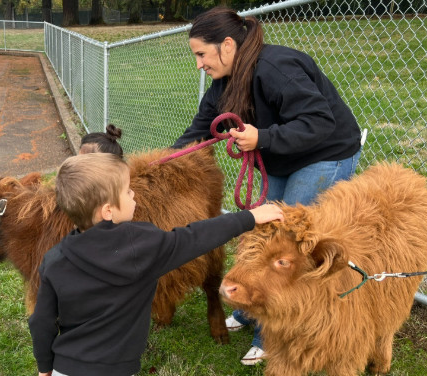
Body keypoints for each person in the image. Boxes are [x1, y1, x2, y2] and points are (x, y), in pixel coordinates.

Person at [172, 7, 362, 365]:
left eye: (201, 54)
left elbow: (319, 121)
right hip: (279, 155)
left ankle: (270, 335)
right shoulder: (223, 85)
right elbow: (199, 130)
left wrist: (263, 137)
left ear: (227, 45)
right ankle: (247, 309)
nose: (198, 64)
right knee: (259, 231)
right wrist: (159, 162)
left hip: (324, 154)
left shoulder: (277, 69)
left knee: (288, 245)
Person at [28, 152, 284, 376]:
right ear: (108, 210)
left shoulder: (54, 259)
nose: (133, 194)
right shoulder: (142, 245)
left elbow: (41, 321)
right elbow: (195, 237)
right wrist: (249, 217)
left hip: (66, 367)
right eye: (127, 191)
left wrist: (44, 367)